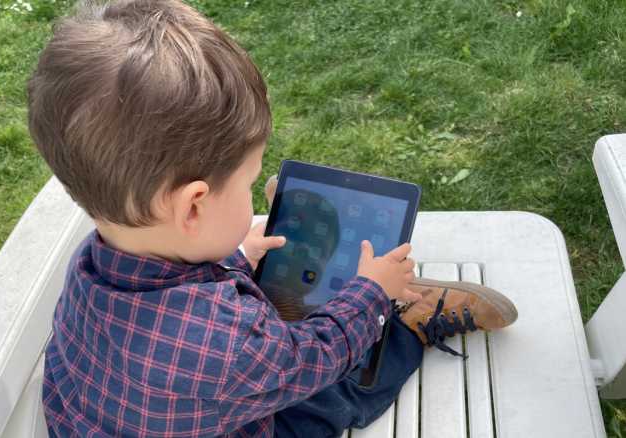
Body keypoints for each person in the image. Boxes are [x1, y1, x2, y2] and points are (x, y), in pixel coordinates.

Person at [27, 1, 518, 436]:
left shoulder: (93, 264)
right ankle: (405, 323)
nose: (254, 196)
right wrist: (370, 293)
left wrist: (236, 257)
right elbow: (313, 356)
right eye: (245, 184)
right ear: (193, 206)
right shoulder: (228, 346)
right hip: (247, 398)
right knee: (331, 395)